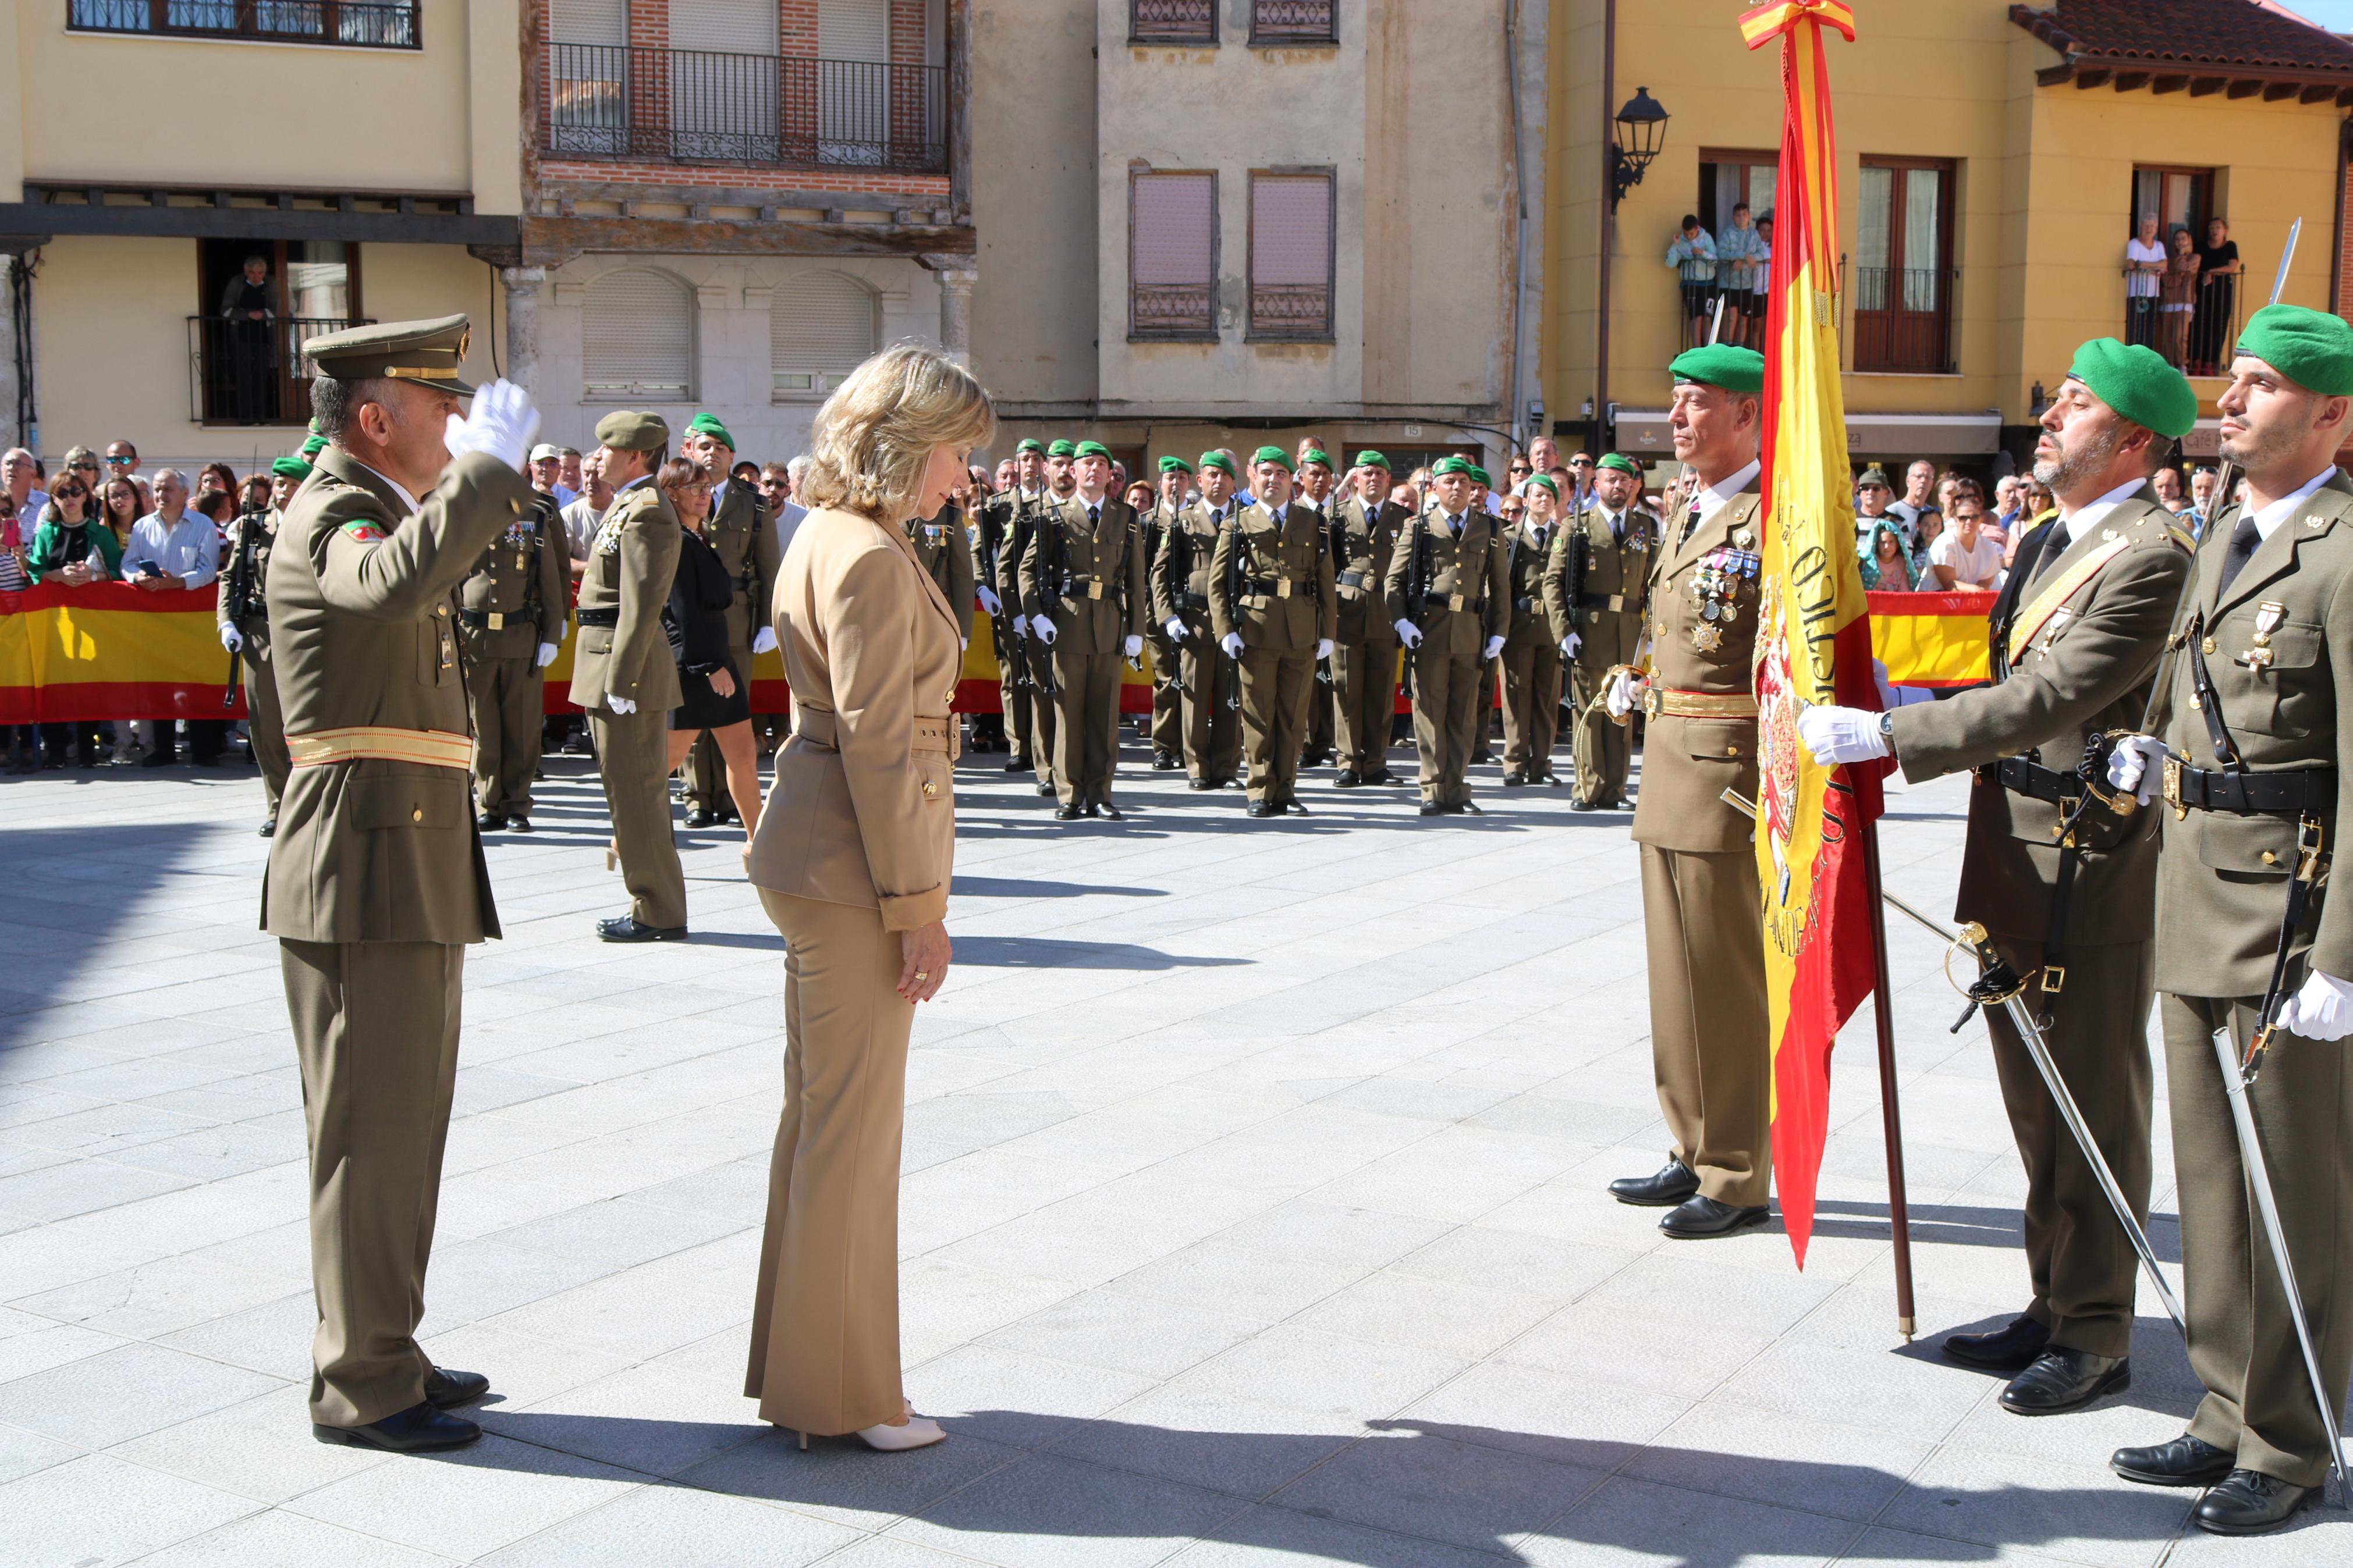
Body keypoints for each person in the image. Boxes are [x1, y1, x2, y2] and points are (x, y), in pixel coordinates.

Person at [1803, 337, 2196, 1417]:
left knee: (2090, 1106)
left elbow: (2050, 695)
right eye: (2058, 399)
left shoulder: (2153, 554)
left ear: (2128, 440)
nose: (2050, 418)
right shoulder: (2044, 540)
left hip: (2086, 864)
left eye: (2074, 406)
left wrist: (1888, 734)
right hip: (2010, 853)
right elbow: (1996, 674)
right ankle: (2051, 1304)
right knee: (2033, 1101)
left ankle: (2097, 1333)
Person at [263, 315, 538, 1455]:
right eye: (441, 408)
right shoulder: (337, 505)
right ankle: (359, 1378)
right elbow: (377, 593)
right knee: (367, 1134)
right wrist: (486, 477)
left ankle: (389, 1342)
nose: (459, 423)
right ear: (378, 419)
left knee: (404, 1128)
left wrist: (470, 484)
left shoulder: (383, 506)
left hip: (402, 854)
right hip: (361, 860)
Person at [2103, 304, 2353, 1534]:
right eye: (2232, 380)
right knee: (2208, 1180)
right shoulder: (2223, 537)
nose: (2229, 400)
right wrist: (2151, 744)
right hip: (2193, 899)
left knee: (2291, 1194)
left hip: (2286, 919)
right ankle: (2218, 1410)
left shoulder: (2344, 553)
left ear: (2329, 415)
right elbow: (2194, 689)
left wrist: (2343, 959)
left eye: (2257, 385)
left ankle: (2289, 1441)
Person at [742, 344, 986, 1452]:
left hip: (817, 853)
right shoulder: (873, 558)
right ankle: (846, 1396)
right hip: (853, 868)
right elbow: (890, 751)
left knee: (822, 1127)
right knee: (851, 1138)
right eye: (954, 454)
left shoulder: (830, 535)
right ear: (903, 447)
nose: (964, 480)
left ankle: (808, 1374)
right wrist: (917, 907)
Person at [1603, 343, 1772, 1239]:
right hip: (1667, 758)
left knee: (1722, 978)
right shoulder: (1689, 510)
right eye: (1672, 399)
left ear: (1743, 414)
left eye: (1694, 401)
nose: (1674, 416)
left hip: (1723, 774)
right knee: (1674, 975)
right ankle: (1690, 1139)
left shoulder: (1769, 516)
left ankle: (1738, 1168)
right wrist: (1640, 678)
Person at [569, 411, 688, 943]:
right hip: (607, 658)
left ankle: (657, 909)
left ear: (636, 456)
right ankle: (653, 902)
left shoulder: (647, 512)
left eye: (606, 450)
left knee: (636, 794)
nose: (596, 459)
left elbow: (640, 608)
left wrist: (621, 681)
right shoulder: (629, 504)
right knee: (628, 792)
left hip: (626, 669)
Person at [1021, 439, 1147, 820]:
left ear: (1111, 475)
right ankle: (1069, 794)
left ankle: (1100, 793)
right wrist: (1036, 615)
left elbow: (1136, 580)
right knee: (1068, 713)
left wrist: (1136, 628)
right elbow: (1026, 571)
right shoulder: (1053, 516)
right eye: (1085, 464)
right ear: (1072, 472)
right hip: (1068, 624)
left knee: (1104, 715)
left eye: (1100, 464)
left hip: (1109, 624)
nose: (1092, 469)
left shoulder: (1125, 517)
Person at [1209, 447, 1336, 818]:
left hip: (1301, 629)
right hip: (1256, 629)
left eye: (1281, 473)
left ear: (1292, 480)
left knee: (1294, 717)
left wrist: (1327, 631)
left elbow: (1324, 581)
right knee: (1258, 715)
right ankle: (1260, 790)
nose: (1273, 479)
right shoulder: (1238, 523)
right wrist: (1226, 630)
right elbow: (1218, 584)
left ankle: (1286, 789)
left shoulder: (1312, 522)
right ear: (1253, 476)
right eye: (1266, 472)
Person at [456, 439, 568, 833]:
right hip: (474, 634)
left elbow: (551, 576)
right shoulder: (462, 513)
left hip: (521, 632)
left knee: (520, 724)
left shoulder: (536, 513)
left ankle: (517, 803)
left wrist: (554, 631)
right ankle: (489, 800)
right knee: (482, 723)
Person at [1386, 456, 1507, 816]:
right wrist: (1402, 622)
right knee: (1429, 713)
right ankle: (1432, 788)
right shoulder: (1418, 527)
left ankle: (1457, 788)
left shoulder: (1491, 528)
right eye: (1450, 481)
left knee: (1464, 715)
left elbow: (1500, 587)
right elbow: (1394, 580)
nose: (1457, 488)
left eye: (1463, 482)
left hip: (1471, 630)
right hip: (1430, 630)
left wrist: (1499, 632)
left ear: (1473, 489)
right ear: (1435, 487)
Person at [679, 415, 780, 829]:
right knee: (690, 708)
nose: (712, 453)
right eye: (705, 446)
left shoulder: (753, 501)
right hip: (692, 618)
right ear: (690, 451)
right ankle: (697, 797)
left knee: (731, 710)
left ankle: (727, 796)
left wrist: (768, 621)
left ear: (732, 456)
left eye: (720, 448)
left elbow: (769, 565)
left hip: (738, 619)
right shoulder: (678, 497)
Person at [659, 457, 763, 848]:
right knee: (668, 761)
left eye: (707, 488)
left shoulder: (698, 536)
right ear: (671, 494)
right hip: (696, 663)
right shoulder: (678, 541)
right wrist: (708, 666)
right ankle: (627, 837)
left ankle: (759, 842)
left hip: (717, 657)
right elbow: (682, 611)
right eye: (695, 489)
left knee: (743, 753)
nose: (705, 495)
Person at [1545, 452, 1649, 811]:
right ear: (1597, 484)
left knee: (1621, 713)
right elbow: (1553, 582)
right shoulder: (1577, 526)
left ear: (1633, 485)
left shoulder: (1643, 526)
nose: (1618, 486)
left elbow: (1651, 582)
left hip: (1629, 631)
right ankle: (1587, 789)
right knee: (1590, 714)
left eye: (1625, 480)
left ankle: (1616, 790)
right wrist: (1563, 630)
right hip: (1590, 630)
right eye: (1611, 480)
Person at [215, 458, 301, 829]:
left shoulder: (317, 521)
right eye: (281, 484)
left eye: (294, 484)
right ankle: (278, 805)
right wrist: (225, 624)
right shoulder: (253, 527)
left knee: (304, 722)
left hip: (303, 632)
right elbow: (229, 578)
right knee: (265, 723)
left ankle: (306, 803)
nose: (285, 491)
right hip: (259, 631)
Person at [122, 469, 227, 767]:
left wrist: (177, 582)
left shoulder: (202, 525)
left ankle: (203, 749)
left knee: (197, 683)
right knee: (160, 685)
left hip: (193, 621)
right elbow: (126, 563)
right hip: (155, 620)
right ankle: (163, 748)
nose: (161, 495)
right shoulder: (142, 527)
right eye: (156, 489)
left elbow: (208, 571)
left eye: (167, 489)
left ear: (183, 493)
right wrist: (137, 576)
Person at [1154, 451, 1244, 791]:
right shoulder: (1183, 519)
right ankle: (1197, 768)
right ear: (1201, 481)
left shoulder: (1244, 518)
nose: (1218, 481)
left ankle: (1226, 767)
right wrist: (1168, 616)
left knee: (1228, 697)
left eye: (1224, 476)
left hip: (1233, 622)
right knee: (1193, 696)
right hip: (1195, 621)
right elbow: (1160, 573)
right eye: (1211, 475)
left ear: (1235, 482)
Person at [27, 474, 123, 769]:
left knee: (87, 686)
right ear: (54, 499)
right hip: (54, 623)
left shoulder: (100, 532)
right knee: (54, 684)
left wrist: (92, 576)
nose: (70, 497)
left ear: (85, 496)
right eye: (62, 492)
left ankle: (86, 750)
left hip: (91, 623)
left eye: (76, 491)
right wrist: (56, 575)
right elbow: (34, 571)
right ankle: (55, 750)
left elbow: (119, 573)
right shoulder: (46, 532)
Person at [1328, 450, 1406, 789]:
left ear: (1389, 480)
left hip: (1386, 615)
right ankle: (1348, 761)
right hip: (1347, 612)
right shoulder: (1337, 516)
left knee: (1381, 691)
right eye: (1367, 473)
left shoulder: (1404, 518)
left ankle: (1375, 761)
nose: (1373, 478)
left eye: (1380, 473)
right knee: (1346, 690)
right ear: (1355, 479)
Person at [977, 439, 1048, 774]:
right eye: (1024, 459)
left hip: (1046, 600)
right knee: (1013, 675)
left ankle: (1045, 744)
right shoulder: (999, 506)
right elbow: (979, 551)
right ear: (1016, 466)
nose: (1030, 464)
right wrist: (982, 586)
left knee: (1044, 676)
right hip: (1009, 599)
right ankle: (1020, 746)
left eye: (1036, 458)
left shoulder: (1054, 504)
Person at [1497, 474, 1564, 785]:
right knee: (1516, 696)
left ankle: (1541, 763)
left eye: (1549, 496)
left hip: (1551, 628)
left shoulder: (1563, 537)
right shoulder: (1510, 537)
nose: (1544, 500)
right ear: (1525, 501)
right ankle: (1514, 763)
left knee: (1546, 698)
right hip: (1519, 626)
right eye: (1538, 495)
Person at [1136, 458, 1190, 771]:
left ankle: (1188, 743)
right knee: (1167, 679)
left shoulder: (1195, 519)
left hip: (1190, 609)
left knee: (1190, 679)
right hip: (1156, 610)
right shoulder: (1147, 522)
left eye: (1182, 478)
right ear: (1160, 484)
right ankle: (1165, 746)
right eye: (1170, 477)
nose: (1175, 483)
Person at [1293, 449, 1341, 770]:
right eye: (1314, 473)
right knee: (1304, 681)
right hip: (1301, 605)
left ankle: (1326, 741)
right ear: (1301, 478)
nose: (1320, 480)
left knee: (1329, 681)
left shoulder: (1339, 513)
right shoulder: (1293, 512)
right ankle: (1306, 744)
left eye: (1326, 474)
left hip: (1337, 603)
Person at [222, 254, 278, 421]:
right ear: (246, 273)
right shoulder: (236, 284)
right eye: (253, 273)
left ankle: (261, 416)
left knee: (261, 378)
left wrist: (262, 315)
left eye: (260, 273)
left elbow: (275, 311)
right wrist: (248, 315)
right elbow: (225, 311)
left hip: (264, 340)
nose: (257, 276)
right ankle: (245, 417)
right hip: (241, 339)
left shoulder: (271, 285)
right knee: (243, 378)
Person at [2191, 216, 2242, 376]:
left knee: (2218, 326)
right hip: (2203, 291)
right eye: (2212, 228)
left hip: (2222, 292)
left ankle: (2210, 362)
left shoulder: (2230, 246)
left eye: (2218, 228)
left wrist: (2211, 272)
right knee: (2200, 325)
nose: (2214, 231)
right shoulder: (2200, 246)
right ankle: (2197, 361)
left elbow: (2232, 267)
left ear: (2225, 230)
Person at [1715, 202, 1769, 350]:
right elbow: (1722, 253)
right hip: (1729, 283)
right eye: (1738, 215)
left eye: (1744, 215)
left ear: (1749, 217)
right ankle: (1726, 351)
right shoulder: (1728, 234)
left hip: (1747, 284)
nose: (1741, 218)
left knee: (1744, 320)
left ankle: (1738, 353)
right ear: (1733, 218)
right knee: (1730, 317)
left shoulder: (1754, 234)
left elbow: (1760, 255)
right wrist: (1744, 256)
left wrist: (1743, 261)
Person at [1665, 214, 1719, 350]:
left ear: (1697, 229)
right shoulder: (1680, 241)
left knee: (1707, 317)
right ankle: (1697, 350)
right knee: (1696, 317)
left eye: (1692, 234)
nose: (1689, 236)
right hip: (1690, 284)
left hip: (1708, 283)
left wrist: (1702, 253)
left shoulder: (1706, 238)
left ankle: (1709, 350)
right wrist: (1675, 246)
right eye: (1686, 234)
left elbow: (1716, 260)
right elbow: (1670, 264)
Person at [1926, 495, 2003, 590]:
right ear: (1956, 519)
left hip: (1972, 602)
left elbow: (1986, 583)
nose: (1969, 522)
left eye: (1974, 517)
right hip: (1934, 600)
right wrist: (1975, 590)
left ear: (1981, 519)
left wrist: (1979, 592)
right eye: (1963, 518)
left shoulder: (1988, 547)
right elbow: (1949, 585)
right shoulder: (1944, 544)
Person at [2158, 226, 2201, 370]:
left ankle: (2182, 363)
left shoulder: (2195, 257)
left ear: (2189, 240)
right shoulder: (2168, 259)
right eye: (2177, 239)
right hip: (2168, 300)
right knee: (2168, 337)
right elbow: (2166, 280)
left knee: (2180, 336)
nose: (2180, 242)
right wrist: (2179, 269)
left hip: (2185, 300)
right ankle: (2170, 363)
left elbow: (2184, 268)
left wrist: (2182, 257)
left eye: (2183, 239)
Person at [2124, 213, 2166, 350]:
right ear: (2141, 227)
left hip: (2153, 293)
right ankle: (2132, 356)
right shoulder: (2134, 244)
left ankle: (2146, 355)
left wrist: (2143, 266)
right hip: (2136, 293)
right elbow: (2132, 265)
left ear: (2156, 229)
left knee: (2149, 328)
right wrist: (2154, 268)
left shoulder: (2159, 246)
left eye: (2152, 226)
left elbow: (2164, 266)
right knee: (2135, 327)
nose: (2149, 228)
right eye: (2146, 225)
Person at [1858, 518, 1914, 590]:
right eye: (1883, 542)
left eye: (1891, 542)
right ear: (1877, 544)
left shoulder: (1902, 563)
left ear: (1898, 544)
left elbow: (1904, 591)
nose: (1887, 547)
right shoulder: (1869, 563)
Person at [3, 446, 48, 525]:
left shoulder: (47, 504)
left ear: (33, 474)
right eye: (8, 463)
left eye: (18, 464)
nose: (11, 468)